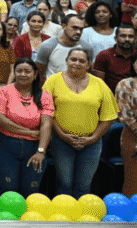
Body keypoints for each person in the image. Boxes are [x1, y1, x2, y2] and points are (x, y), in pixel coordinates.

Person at [43, 47, 118, 197]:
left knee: (83, 186)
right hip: (61, 141)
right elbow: (47, 113)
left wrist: (93, 138)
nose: (77, 63)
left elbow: (109, 116)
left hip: (91, 143)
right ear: (67, 61)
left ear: (89, 64)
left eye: (82, 60)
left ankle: (81, 219)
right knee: (64, 183)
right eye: (73, 59)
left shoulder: (99, 84)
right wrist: (62, 135)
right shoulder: (52, 81)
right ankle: (63, 218)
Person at [0, 58, 53, 196]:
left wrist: (41, 151)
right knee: (9, 188)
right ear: (14, 73)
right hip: (6, 145)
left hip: (34, 148)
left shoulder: (44, 95)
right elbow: (1, 120)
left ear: (35, 74)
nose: (23, 74)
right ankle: (7, 217)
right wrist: (30, 132)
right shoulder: (4, 91)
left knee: (31, 190)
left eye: (27, 71)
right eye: (19, 71)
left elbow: (47, 124)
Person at [115, 53, 137, 196]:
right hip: (133, 137)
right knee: (134, 179)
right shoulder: (125, 84)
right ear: (133, 65)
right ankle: (134, 216)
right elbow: (124, 114)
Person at [92, 26, 137, 93]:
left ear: (135, 39)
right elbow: (98, 84)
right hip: (109, 96)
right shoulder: (104, 55)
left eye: (130, 36)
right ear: (115, 38)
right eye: (123, 36)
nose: (127, 39)